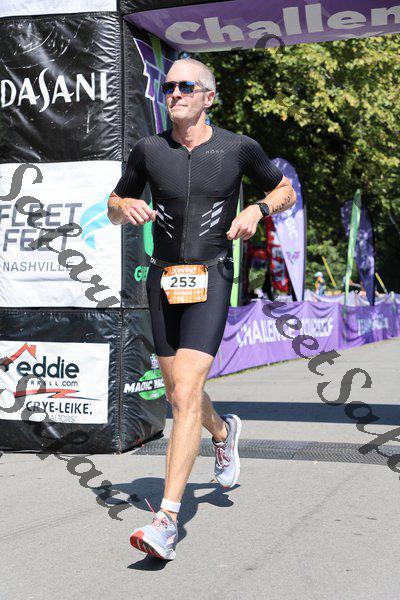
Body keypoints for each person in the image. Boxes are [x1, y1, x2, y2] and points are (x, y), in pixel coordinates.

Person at [107, 57, 296, 560]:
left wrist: (257, 208)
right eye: (169, 86)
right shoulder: (149, 149)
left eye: (185, 86)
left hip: (211, 277)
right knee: (178, 394)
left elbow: (284, 189)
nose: (174, 93)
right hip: (163, 279)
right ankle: (223, 431)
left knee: (187, 392)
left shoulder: (238, 147)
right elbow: (112, 204)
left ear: (208, 97)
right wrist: (124, 208)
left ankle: (166, 521)